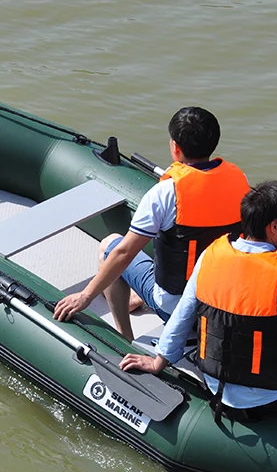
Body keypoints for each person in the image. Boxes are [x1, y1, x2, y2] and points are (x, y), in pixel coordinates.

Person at [119, 180, 277, 418]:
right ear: (275, 227)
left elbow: (183, 314)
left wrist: (159, 362)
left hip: (215, 387)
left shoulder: (212, 254)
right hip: (270, 400)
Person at [53, 107, 249, 341]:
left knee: (109, 247)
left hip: (180, 310)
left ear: (175, 148)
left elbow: (123, 253)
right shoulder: (239, 181)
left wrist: (85, 295)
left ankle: (125, 338)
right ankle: (138, 297)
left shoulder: (166, 193)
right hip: (224, 302)